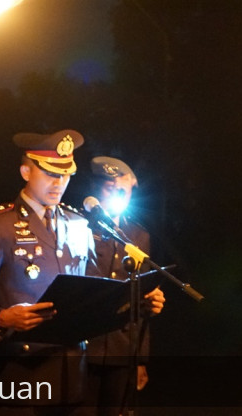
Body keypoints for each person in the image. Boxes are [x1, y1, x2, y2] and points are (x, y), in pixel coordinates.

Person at [0, 131, 163, 415]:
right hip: (24, 370)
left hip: (74, 373)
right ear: (26, 171)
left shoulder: (79, 224)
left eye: (65, 175)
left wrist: (140, 301)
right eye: (50, 174)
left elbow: (97, 292)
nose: (59, 183)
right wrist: (2, 316)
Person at [84, 156, 154, 416]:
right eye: (108, 188)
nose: (116, 195)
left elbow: (141, 301)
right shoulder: (77, 224)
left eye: (122, 190)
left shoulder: (138, 235)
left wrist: (140, 360)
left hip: (121, 349)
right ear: (96, 188)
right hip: (83, 346)